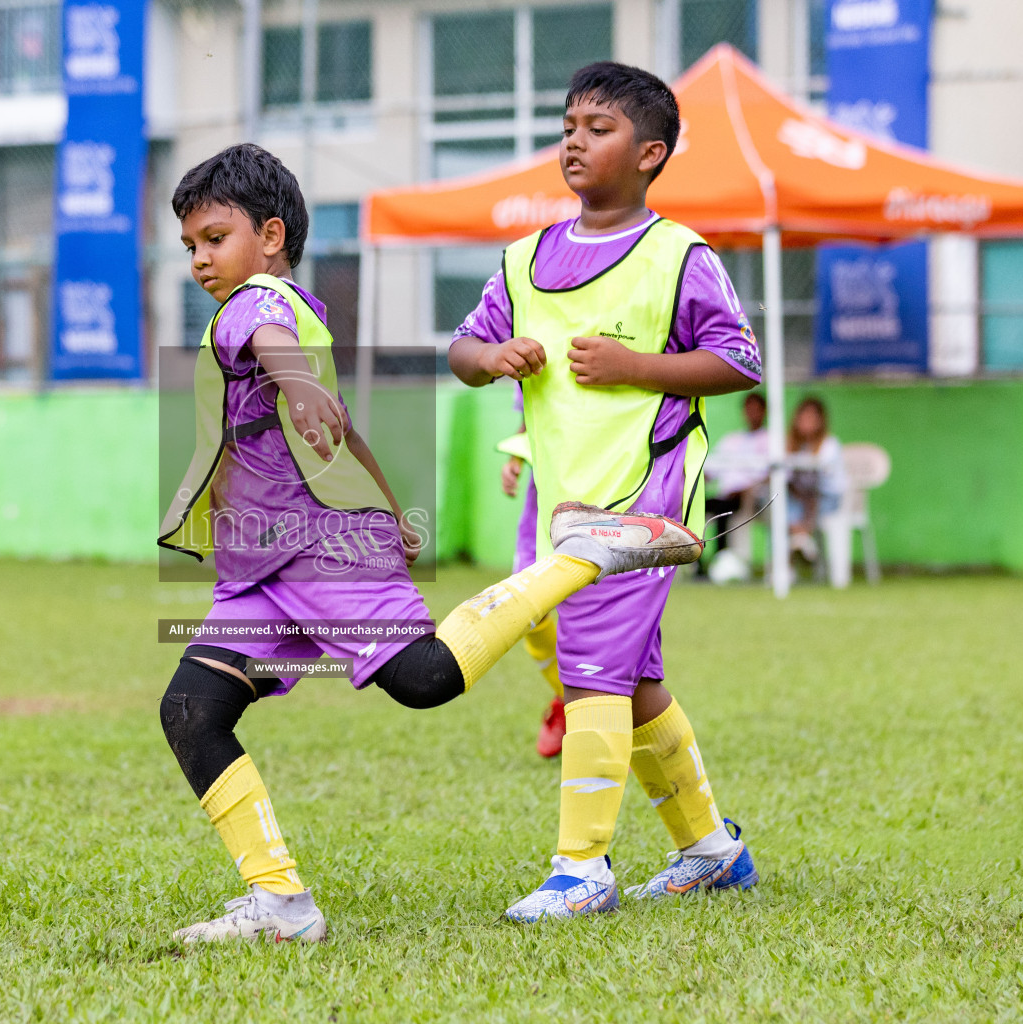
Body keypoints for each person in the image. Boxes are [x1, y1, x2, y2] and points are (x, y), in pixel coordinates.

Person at [158, 144, 694, 944]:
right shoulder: (291, 303)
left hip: (314, 549)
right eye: (191, 247)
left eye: (214, 238)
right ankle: (281, 905)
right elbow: (339, 421)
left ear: (269, 234)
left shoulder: (254, 305)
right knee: (194, 710)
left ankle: (587, 553)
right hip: (264, 563)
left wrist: (300, 390)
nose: (201, 260)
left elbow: (282, 360)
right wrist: (390, 508)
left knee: (423, 678)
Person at [448, 62, 762, 922]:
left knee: (591, 671)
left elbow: (738, 360)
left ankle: (580, 869)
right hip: (558, 505)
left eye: (599, 127)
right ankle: (710, 850)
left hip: (643, 503)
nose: (575, 141)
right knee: (627, 680)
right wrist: (491, 362)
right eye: (568, 126)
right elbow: (464, 348)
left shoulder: (678, 255)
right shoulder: (524, 259)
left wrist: (640, 368)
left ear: (651, 152)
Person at [498, 414, 566, 758]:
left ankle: (612, 723)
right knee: (526, 609)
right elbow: (533, 414)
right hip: (544, 507)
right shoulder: (529, 361)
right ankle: (570, 700)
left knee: (599, 626)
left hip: (609, 497)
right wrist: (515, 458)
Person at [702, 392, 769, 580]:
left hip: (751, 497)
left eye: (756, 409)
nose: (752, 413)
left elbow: (769, 476)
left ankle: (720, 559)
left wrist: (747, 488)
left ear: (764, 412)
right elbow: (711, 470)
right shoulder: (732, 440)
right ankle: (699, 564)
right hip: (726, 495)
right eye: (749, 409)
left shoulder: (770, 440)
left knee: (725, 508)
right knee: (698, 508)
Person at [787, 395, 844, 567]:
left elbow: (822, 477)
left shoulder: (829, 444)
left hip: (827, 499)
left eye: (811, 417)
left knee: (811, 499)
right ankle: (802, 541)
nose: (806, 421)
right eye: (803, 417)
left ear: (821, 421)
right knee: (782, 500)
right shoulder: (792, 445)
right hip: (801, 499)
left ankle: (799, 541)